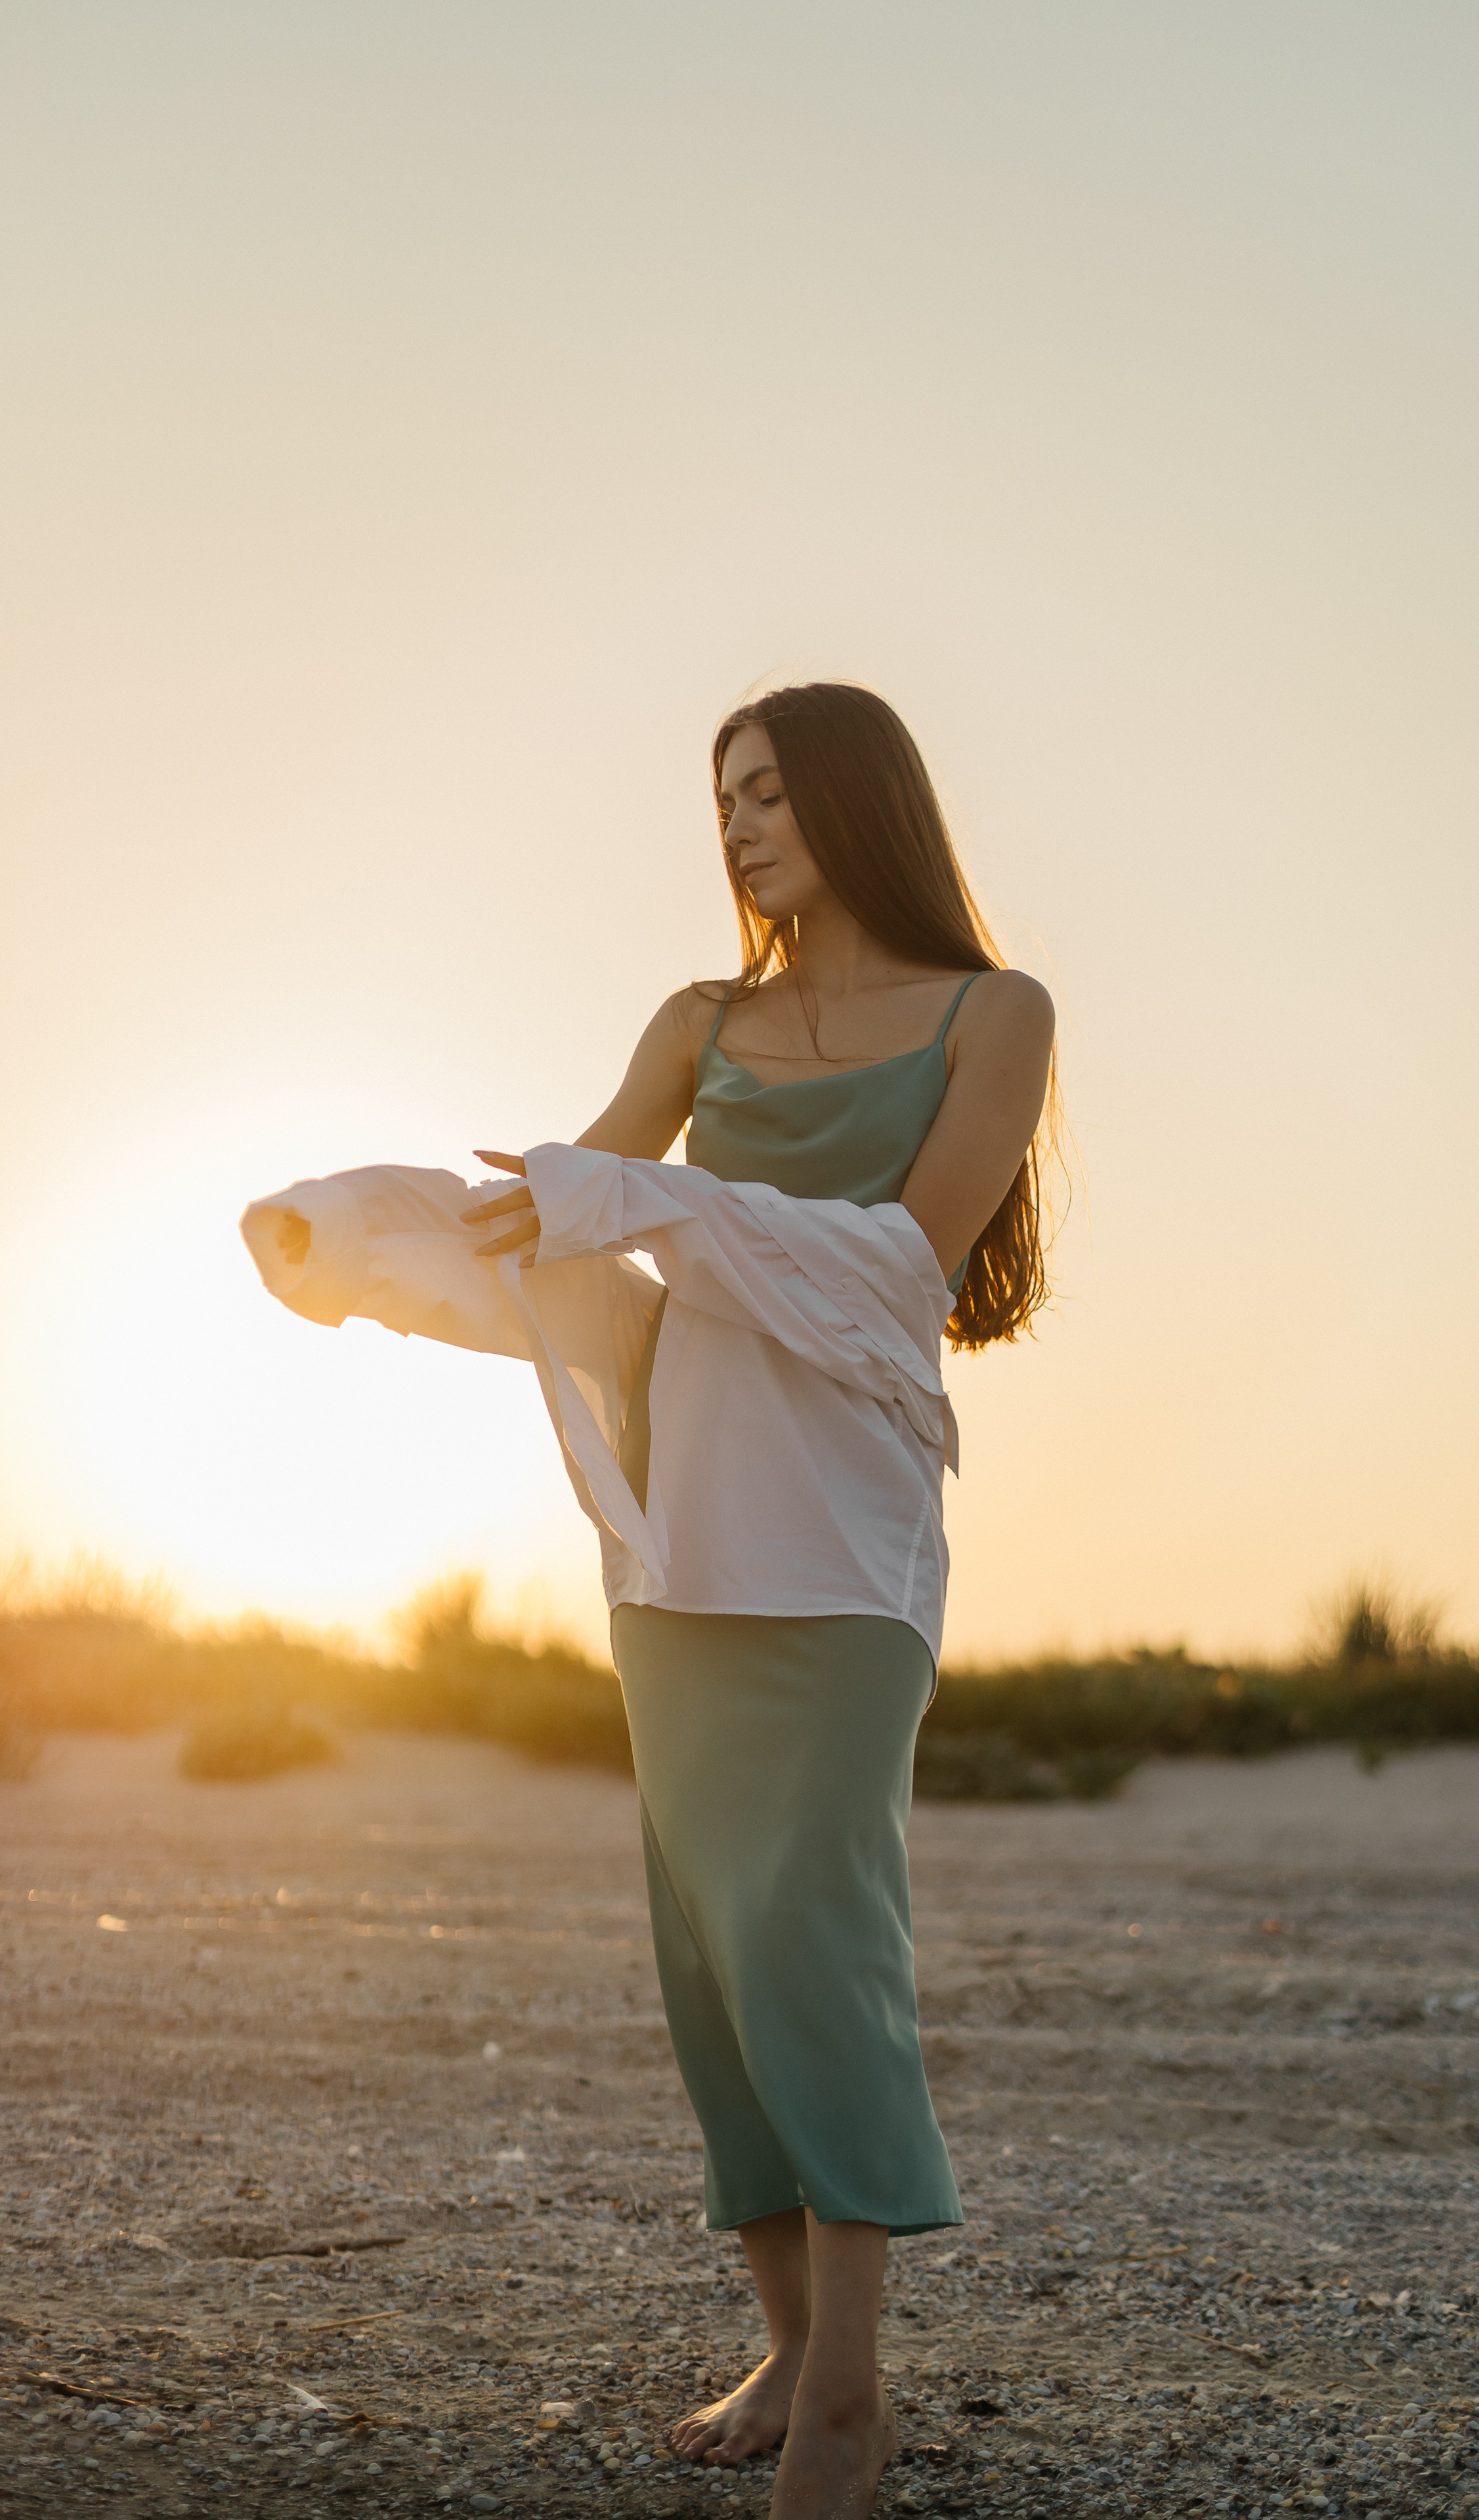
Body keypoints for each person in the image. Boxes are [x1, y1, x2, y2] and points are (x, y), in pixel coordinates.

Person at [463, 681, 1058, 2520]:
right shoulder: (699, 1021)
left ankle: (854, 2405)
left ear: (861, 801)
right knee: (713, 1954)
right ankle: (789, 2343)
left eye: (773, 789)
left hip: (845, 1541)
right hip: (682, 1533)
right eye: (722, 795)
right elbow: (566, 1207)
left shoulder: (994, 1013)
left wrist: (658, 1209)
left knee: (819, 1931)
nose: (738, 822)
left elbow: (901, 1270)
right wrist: (374, 1229)